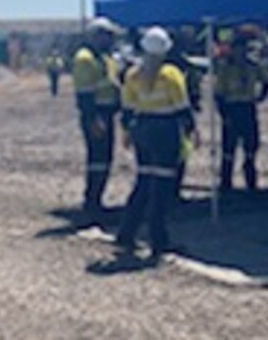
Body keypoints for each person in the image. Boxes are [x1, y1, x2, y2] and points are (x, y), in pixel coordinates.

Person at [115, 26, 196, 259]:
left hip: (143, 129)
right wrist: (191, 130)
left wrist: (127, 133)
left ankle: (127, 232)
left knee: (143, 182)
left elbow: (127, 109)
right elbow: (182, 106)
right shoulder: (171, 74)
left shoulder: (132, 75)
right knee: (162, 187)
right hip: (166, 131)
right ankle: (158, 239)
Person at [72, 17, 122, 221]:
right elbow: (84, 94)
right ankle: (92, 201)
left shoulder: (103, 57)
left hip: (107, 113)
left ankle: (97, 199)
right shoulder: (85, 58)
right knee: (98, 159)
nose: (110, 40)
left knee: (105, 158)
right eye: (107, 35)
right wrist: (93, 119)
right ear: (96, 35)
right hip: (96, 114)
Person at [216, 32, 268, 191]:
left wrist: (261, 97)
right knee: (228, 148)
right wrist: (224, 114)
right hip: (232, 108)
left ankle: (251, 181)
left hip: (248, 107)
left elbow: (267, 81)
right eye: (238, 49)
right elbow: (218, 94)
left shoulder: (253, 65)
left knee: (251, 145)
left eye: (244, 49)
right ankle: (226, 183)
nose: (241, 52)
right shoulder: (225, 67)